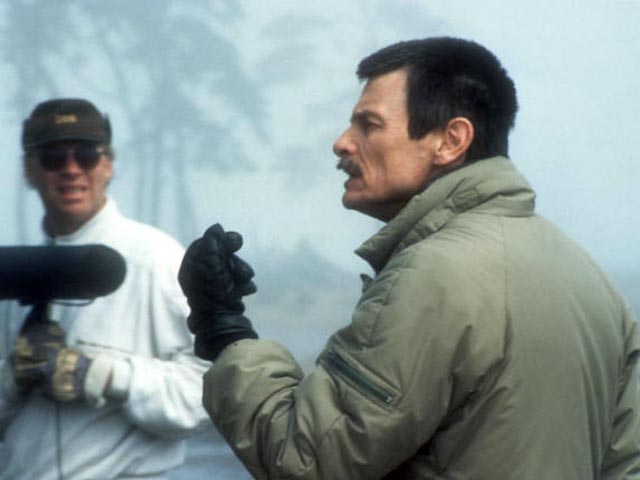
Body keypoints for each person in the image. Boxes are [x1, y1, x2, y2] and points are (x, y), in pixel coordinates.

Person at [178, 38, 640, 479]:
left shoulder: (433, 273)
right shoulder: (592, 281)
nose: (342, 142)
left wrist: (224, 329)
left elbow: (308, 459)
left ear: (451, 140)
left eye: (369, 124)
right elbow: (625, 464)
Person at [0, 98, 210, 479]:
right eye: (52, 157)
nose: (71, 169)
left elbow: (208, 389)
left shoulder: (155, 259)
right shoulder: (14, 274)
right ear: (28, 170)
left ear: (108, 164)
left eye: (86, 155)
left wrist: (107, 375)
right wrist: (11, 378)